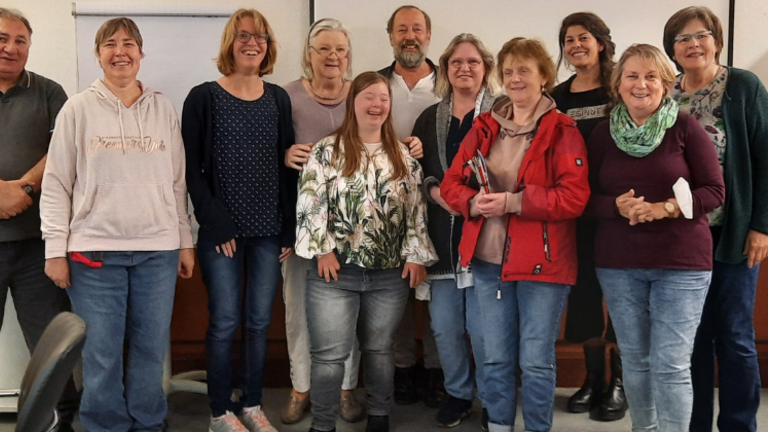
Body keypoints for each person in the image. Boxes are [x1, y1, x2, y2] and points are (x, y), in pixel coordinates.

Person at [40, 17, 195, 432]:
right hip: (93, 251)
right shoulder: (78, 108)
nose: (120, 51)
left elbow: (178, 181)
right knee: (101, 351)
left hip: (157, 251)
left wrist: (184, 241)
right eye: (110, 44)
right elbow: (56, 184)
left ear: (142, 53)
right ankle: (104, 424)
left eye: (129, 43)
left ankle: (148, 421)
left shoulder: (162, 107)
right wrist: (55, 250)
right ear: (98, 54)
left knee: (149, 347)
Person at [441, 37, 590, 432]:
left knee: (536, 360)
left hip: (544, 264)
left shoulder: (563, 129)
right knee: (493, 358)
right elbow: (452, 183)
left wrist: (515, 203)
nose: (515, 78)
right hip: (489, 262)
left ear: (544, 76)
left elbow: (574, 198)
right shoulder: (485, 126)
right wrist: (471, 203)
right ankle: (500, 426)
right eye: (508, 71)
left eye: (524, 70)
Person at [586, 43, 725, 432]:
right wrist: (616, 206)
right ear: (618, 84)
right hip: (618, 264)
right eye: (632, 75)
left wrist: (666, 207)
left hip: (681, 264)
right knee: (635, 359)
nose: (641, 84)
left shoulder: (685, 127)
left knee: (671, 363)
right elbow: (583, 199)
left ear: (666, 84)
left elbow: (715, 191)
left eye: (651, 76)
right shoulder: (602, 133)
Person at [295, 71, 438, 432]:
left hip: (388, 274)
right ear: (353, 102)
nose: (376, 105)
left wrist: (415, 254)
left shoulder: (403, 154)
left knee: (379, 351)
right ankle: (323, 424)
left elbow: (416, 207)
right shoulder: (327, 150)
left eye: (383, 99)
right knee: (329, 357)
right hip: (334, 272)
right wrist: (322, 250)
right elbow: (311, 202)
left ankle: (379, 416)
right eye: (368, 97)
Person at [182, 8, 295, 432]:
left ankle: (251, 403)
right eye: (244, 35)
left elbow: (287, 165)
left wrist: (289, 227)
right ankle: (219, 412)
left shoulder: (277, 97)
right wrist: (217, 224)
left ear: (268, 46)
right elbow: (192, 170)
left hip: (269, 231)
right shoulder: (203, 97)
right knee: (225, 320)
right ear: (230, 42)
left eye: (261, 37)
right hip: (221, 234)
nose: (253, 43)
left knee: (259, 323)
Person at [662, 7, 768, 432]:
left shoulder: (743, 85)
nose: (693, 44)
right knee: (691, 340)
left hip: (734, 233)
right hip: (680, 238)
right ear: (672, 49)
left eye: (701, 35)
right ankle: (696, 425)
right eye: (682, 38)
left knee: (737, 337)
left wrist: (762, 225)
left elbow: (765, 158)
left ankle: (739, 425)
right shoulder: (666, 93)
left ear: (717, 40)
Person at [410, 33, 496, 429]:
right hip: (441, 237)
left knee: (484, 331)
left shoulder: (503, 113)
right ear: (445, 69)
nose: (464, 68)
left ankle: (494, 398)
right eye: (456, 62)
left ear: (486, 69)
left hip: (488, 239)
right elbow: (420, 169)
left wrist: (477, 200)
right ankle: (459, 394)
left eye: (473, 62)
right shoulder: (430, 117)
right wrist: (435, 191)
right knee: (445, 329)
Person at [280, 17, 362, 425]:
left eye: (340, 50)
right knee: (297, 310)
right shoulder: (285, 96)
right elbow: (271, 156)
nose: (333, 56)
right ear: (308, 56)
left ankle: (346, 389)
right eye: (324, 49)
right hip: (299, 229)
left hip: (353, 229)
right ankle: (301, 387)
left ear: (349, 56)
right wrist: (283, 155)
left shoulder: (362, 94)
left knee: (348, 312)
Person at [0, 8, 79, 431]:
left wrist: (24, 188)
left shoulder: (49, 92)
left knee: (53, 343)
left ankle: (64, 421)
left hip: (37, 246)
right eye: (2, 38)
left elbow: (65, 151)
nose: (10, 47)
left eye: (20, 40)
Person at [551, 12, 626, 421]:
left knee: (621, 297)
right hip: (574, 214)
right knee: (583, 298)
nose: (575, 45)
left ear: (600, 41)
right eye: (568, 40)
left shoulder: (621, 87)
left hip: (618, 211)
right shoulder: (558, 97)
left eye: (583, 37)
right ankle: (593, 378)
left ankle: (620, 382)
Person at [377, 4, 444, 406]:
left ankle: (438, 369)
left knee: (437, 290)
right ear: (390, 37)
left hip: (439, 204)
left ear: (429, 36)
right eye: (402, 29)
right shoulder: (375, 84)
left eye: (417, 29)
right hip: (388, 208)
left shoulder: (448, 82)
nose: (410, 36)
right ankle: (403, 367)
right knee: (395, 291)